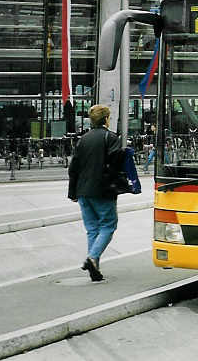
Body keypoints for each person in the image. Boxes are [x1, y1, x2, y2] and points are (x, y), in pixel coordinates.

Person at [67, 104, 124, 282]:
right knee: (108, 226)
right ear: (107, 118)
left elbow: (73, 168)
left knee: (92, 229)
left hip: (83, 191)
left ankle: (95, 268)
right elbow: (115, 165)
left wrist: (73, 192)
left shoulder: (83, 139)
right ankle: (92, 258)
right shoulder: (111, 137)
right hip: (102, 190)